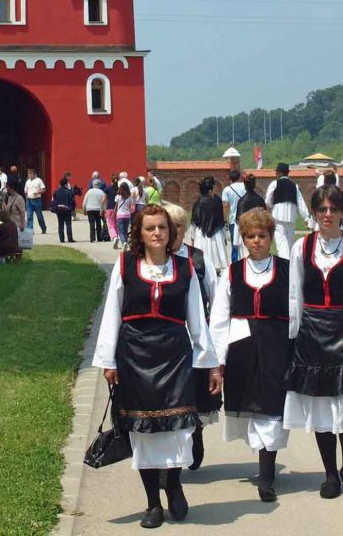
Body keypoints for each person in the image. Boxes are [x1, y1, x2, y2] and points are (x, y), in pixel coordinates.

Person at [92, 205, 219, 528]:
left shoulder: (185, 267)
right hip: (135, 355)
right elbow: (112, 314)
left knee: (177, 427)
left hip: (175, 354)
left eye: (162, 227)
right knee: (143, 432)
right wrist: (108, 360)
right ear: (140, 232)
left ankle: (173, 483)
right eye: (150, 228)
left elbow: (197, 319)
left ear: (171, 231)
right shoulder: (126, 265)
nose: (157, 233)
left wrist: (210, 363)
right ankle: (152, 503)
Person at [284, 184, 343, 500]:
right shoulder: (301, 247)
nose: (328, 214)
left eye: (334, 209)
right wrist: (293, 336)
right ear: (314, 212)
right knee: (321, 406)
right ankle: (331, 474)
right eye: (322, 209)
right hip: (312, 332)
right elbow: (294, 293)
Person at [210, 208, 293, 502]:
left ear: (271, 237)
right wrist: (217, 362)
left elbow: (297, 311)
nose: (256, 241)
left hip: (276, 347)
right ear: (243, 239)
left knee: (271, 406)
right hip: (242, 350)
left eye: (262, 235)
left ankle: (266, 475)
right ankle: (263, 463)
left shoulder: (286, 270)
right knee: (251, 405)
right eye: (250, 236)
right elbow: (219, 317)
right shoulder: (232, 273)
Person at [164, 203, 221, 471]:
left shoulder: (198, 258)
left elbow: (216, 294)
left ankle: (195, 434)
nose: (173, 231)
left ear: (184, 229)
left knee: (194, 395)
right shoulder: (155, 261)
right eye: (168, 225)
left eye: (177, 225)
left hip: (196, 339)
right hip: (167, 342)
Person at [264, 163, 312, 260]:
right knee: (290, 241)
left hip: (278, 214)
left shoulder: (275, 184)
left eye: (277, 172)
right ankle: (291, 261)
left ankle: (285, 262)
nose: (276, 174)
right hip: (291, 215)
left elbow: (268, 200)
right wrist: (306, 217)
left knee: (281, 241)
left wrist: (273, 205)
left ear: (280, 173)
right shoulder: (295, 186)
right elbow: (300, 202)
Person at [189, 177, 230, 272]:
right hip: (216, 234)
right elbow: (221, 220)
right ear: (210, 190)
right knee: (215, 256)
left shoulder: (197, 203)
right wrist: (224, 235)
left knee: (203, 258)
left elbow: (194, 223)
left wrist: (192, 237)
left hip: (201, 234)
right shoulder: (217, 201)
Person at [232, 174, 267, 260]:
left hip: (246, 235)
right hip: (259, 234)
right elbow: (266, 218)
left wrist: (236, 239)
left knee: (245, 257)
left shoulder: (242, 201)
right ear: (254, 185)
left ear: (245, 185)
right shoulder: (260, 200)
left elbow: (238, 221)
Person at [221, 169, 246, 261]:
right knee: (245, 242)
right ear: (239, 177)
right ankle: (245, 260)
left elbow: (226, 206)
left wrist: (224, 220)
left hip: (233, 219)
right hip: (245, 219)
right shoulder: (245, 186)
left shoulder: (227, 190)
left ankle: (235, 264)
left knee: (234, 243)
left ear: (230, 178)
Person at [52, 176, 76, 242]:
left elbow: (54, 200)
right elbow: (72, 201)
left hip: (59, 209)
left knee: (60, 224)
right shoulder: (69, 192)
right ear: (66, 184)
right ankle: (70, 238)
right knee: (68, 224)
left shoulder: (56, 191)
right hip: (67, 210)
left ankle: (61, 239)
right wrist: (73, 209)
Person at [23, 167, 47, 233]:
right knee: (29, 216)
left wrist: (38, 192)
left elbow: (44, 189)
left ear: (33, 173)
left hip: (37, 200)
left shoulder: (39, 180)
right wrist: (25, 192)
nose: (28, 175)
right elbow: (25, 188)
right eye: (28, 174)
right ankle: (30, 230)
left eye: (30, 173)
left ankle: (43, 227)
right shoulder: (27, 181)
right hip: (29, 201)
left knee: (39, 216)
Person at [113, 180, 134, 249]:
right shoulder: (129, 197)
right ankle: (126, 243)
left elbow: (116, 207)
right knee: (125, 231)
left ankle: (124, 243)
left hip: (120, 215)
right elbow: (131, 206)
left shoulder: (118, 196)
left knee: (120, 232)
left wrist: (114, 214)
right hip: (127, 215)